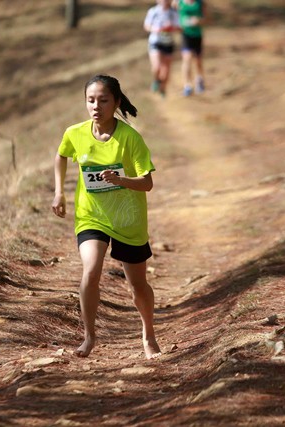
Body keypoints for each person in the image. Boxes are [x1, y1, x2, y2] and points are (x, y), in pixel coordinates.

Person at [52, 75, 162, 360]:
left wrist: (119, 179)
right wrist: (59, 192)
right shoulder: (75, 133)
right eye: (91, 100)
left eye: (103, 100)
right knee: (91, 270)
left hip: (128, 219)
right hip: (92, 216)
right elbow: (61, 155)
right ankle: (89, 337)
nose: (96, 106)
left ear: (116, 102)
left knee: (137, 286)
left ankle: (148, 334)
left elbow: (147, 183)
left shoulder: (130, 138)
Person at [144, 0, 180, 97]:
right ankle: (156, 80)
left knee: (166, 70)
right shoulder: (153, 11)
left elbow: (179, 27)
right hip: (155, 41)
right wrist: (155, 29)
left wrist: (171, 28)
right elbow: (147, 26)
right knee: (157, 67)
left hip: (168, 43)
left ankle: (163, 88)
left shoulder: (173, 12)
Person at [174, 0, 208, 96]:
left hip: (197, 35)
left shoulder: (200, 3)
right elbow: (172, 13)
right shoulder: (178, 2)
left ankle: (199, 80)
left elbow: (207, 19)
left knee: (198, 61)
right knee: (187, 59)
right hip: (185, 35)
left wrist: (198, 21)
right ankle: (187, 86)